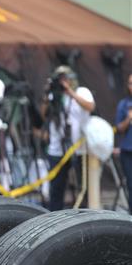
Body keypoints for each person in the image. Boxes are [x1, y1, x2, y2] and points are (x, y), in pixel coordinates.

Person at [44, 65, 95, 211]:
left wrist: (70, 92)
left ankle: (85, 214)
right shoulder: (54, 95)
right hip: (57, 149)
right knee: (56, 188)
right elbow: (44, 115)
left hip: (79, 148)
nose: (62, 82)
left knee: (83, 186)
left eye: (65, 78)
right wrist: (47, 94)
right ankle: (54, 215)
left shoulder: (81, 91)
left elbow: (90, 107)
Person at [115, 73, 132, 209]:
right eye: (130, 83)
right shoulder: (124, 104)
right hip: (128, 151)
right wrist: (128, 119)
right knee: (131, 184)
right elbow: (119, 128)